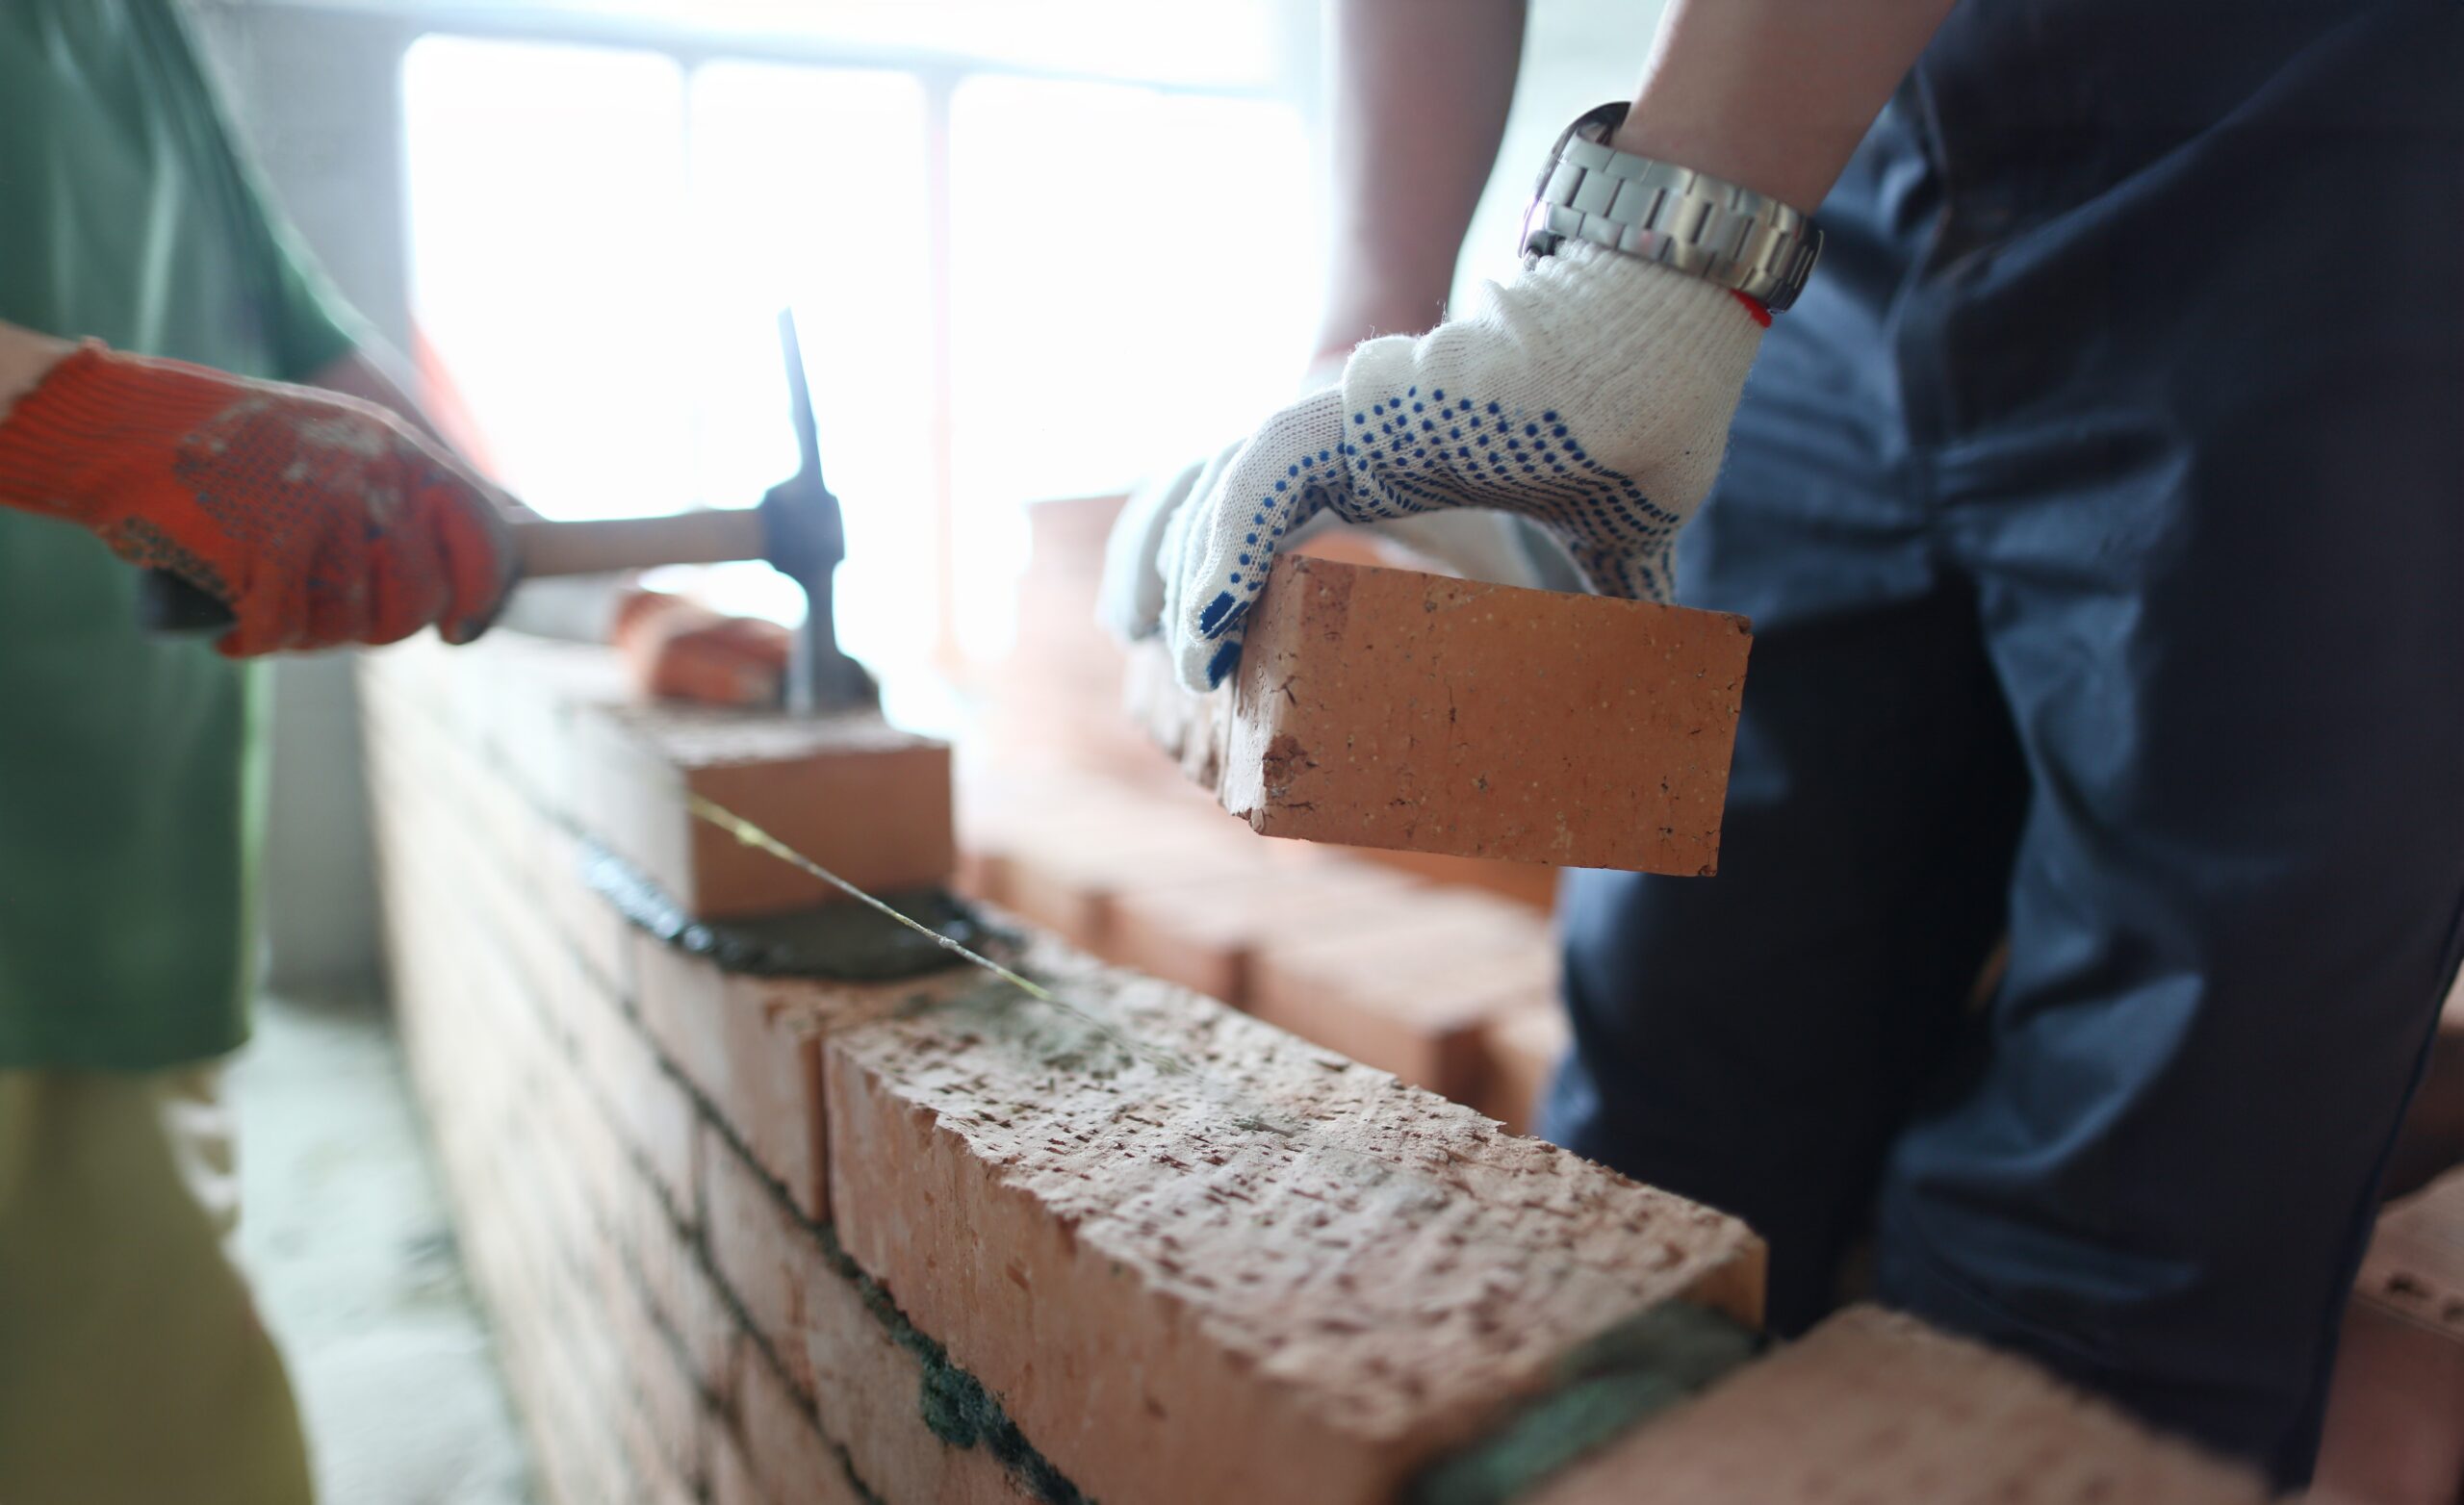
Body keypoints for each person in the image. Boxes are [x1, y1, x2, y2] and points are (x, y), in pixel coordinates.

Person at [1103, 0, 2463, 1487]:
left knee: (2113, 1238)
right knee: (1659, 1145)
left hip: (2328, 161)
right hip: (1847, 171)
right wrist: (1361, 340)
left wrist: (1650, 268)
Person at [0, 3, 517, 1499]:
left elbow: (305, 339)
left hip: (132, 859)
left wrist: (498, 538)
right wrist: (96, 426)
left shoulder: (144, 26)